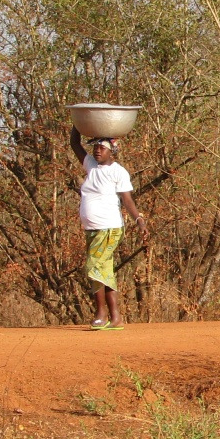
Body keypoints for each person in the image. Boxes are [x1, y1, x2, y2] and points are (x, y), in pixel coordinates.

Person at [70, 128, 148, 329]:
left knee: (94, 266)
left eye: (102, 148)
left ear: (111, 151)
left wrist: (138, 219)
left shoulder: (118, 172)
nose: (97, 151)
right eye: (95, 146)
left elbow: (127, 200)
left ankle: (101, 314)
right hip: (92, 229)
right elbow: (74, 144)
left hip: (109, 228)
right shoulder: (91, 166)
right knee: (104, 271)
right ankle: (115, 318)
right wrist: (77, 124)